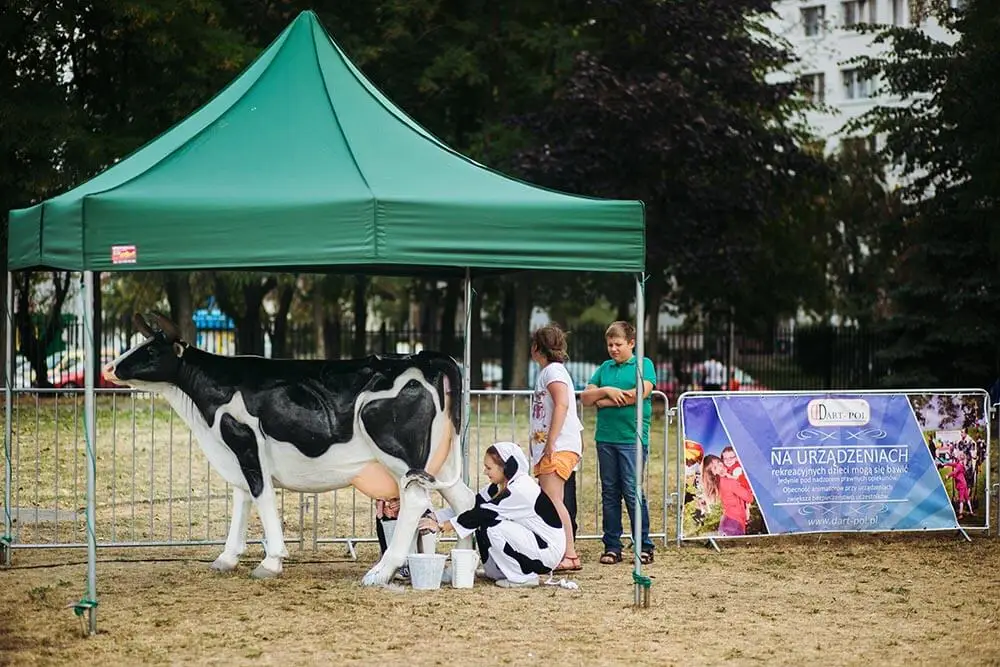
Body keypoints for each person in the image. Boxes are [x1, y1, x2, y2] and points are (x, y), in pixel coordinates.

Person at [418, 442, 565, 588]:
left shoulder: (520, 489)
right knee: (486, 524)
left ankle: (522, 578)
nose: (484, 472)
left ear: (506, 467)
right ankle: (498, 573)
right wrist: (435, 517)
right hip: (535, 544)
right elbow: (471, 506)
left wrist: (441, 526)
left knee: (491, 526)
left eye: (489, 468)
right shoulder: (500, 486)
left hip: (547, 551)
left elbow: (483, 513)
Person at [581, 320, 656, 565]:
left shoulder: (643, 364)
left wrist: (605, 398)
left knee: (633, 492)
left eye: (618, 344)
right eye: (610, 344)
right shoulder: (604, 367)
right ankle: (612, 545)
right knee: (610, 493)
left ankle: (644, 544)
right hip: (606, 438)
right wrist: (607, 391)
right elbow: (587, 397)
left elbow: (640, 393)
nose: (613, 349)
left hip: (631, 439)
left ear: (631, 343)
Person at [529, 324, 584, 572]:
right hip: (551, 446)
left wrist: (551, 440)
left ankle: (570, 554)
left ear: (536, 348)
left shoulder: (553, 373)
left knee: (553, 501)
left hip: (558, 447)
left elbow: (561, 405)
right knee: (553, 500)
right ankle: (562, 550)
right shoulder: (550, 372)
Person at [701, 454, 754, 536]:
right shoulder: (729, 482)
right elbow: (749, 498)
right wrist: (742, 481)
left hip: (728, 522)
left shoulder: (719, 484)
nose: (720, 466)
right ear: (713, 473)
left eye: (718, 462)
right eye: (715, 468)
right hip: (734, 523)